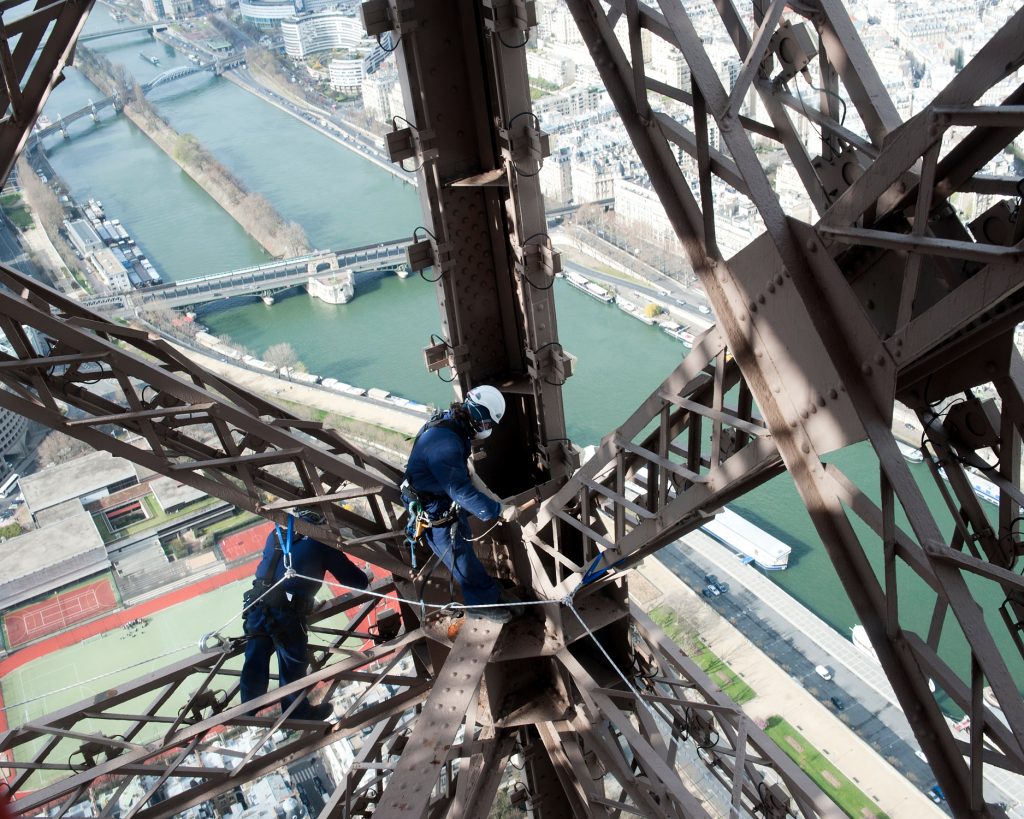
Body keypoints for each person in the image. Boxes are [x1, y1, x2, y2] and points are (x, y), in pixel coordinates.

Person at [402, 385, 521, 623]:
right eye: (488, 423)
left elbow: (463, 472)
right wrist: (496, 510)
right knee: (459, 557)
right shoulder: (445, 444)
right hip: (433, 509)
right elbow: (459, 489)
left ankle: (489, 592)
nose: (487, 429)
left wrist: (491, 496)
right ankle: (480, 605)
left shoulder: (450, 426)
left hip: (440, 499)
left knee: (463, 544)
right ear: (478, 414)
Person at [240, 511, 371, 720]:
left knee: (256, 655)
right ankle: (297, 714)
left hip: (258, 605)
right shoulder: (320, 543)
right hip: (286, 613)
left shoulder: (275, 535)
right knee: (292, 665)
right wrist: (367, 576)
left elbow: (277, 573)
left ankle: (247, 708)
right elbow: (356, 581)